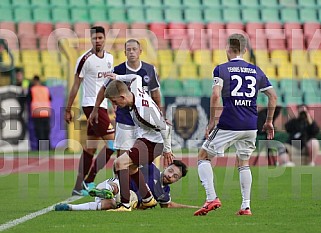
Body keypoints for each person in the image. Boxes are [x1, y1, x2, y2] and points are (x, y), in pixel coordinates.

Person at [193, 33, 277, 216]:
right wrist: (269, 121)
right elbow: (273, 96)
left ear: (227, 49)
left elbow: (216, 95)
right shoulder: (257, 71)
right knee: (243, 162)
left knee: (203, 156)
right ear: (245, 50)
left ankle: (211, 198)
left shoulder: (221, 69)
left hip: (229, 123)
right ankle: (246, 206)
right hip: (250, 125)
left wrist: (212, 121)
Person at [103, 76, 173, 211]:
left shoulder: (142, 112)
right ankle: (148, 199)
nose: (115, 105)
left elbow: (165, 128)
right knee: (132, 167)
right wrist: (117, 78)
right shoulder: (134, 89)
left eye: (114, 101)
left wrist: (167, 150)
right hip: (146, 138)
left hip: (153, 143)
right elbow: (136, 77)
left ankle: (125, 204)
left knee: (119, 163)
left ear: (123, 97)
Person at [87, 39, 161, 159]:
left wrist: (160, 114)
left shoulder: (150, 69)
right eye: (128, 50)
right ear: (125, 53)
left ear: (140, 51)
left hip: (144, 120)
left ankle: (144, 177)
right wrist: (95, 109)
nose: (131, 52)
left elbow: (155, 94)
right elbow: (103, 90)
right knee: (122, 154)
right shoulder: (118, 70)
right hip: (124, 119)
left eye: (134, 49)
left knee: (143, 155)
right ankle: (119, 177)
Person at [64, 26, 115, 196]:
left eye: (100, 38)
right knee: (112, 144)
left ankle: (78, 186)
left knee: (90, 147)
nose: (97, 41)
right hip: (90, 106)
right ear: (91, 39)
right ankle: (89, 180)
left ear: (105, 38)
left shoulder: (109, 58)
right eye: (94, 38)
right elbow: (76, 85)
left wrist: (113, 103)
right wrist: (68, 108)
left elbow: (109, 85)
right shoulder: (84, 59)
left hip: (102, 106)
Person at [54, 161, 197, 211]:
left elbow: (169, 205)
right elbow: (125, 164)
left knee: (109, 204)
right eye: (170, 171)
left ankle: (69, 207)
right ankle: (105, 190)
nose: (170, 176)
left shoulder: (164, 193)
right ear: (166, 166)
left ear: (176, 181)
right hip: (117, 184)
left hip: (122, 201)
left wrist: (195, 207)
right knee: (119, 186)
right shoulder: (150, 167)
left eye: (175, 176)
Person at [27, 75, 51, 150]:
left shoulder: (32, 89)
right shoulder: (45, 89)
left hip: (37, 113)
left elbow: (28, 99)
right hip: (46, 112)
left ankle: (41, 148)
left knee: (39, 132)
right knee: (46, 131)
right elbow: (50, 98)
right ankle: (48, 148)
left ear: (34, 81)